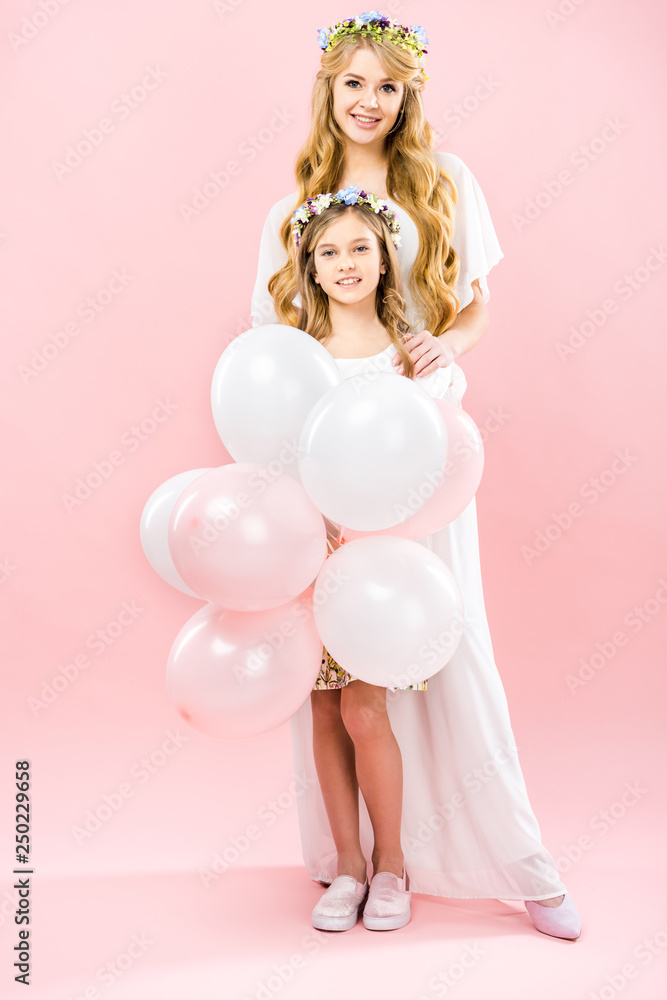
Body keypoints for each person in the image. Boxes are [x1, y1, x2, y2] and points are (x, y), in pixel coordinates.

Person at [250, 12, 582, 941]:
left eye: (386, 87)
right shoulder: (298, 203)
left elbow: (472, 308)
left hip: (413, 454)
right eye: (352, 83)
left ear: (407, 96)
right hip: (321, 475)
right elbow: (274, 353)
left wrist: (435, 352)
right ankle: (346, 864)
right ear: (329, 89)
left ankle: (512, 862)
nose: (367, 102)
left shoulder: (442, 182)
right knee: (327, 688)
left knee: (433, 647)